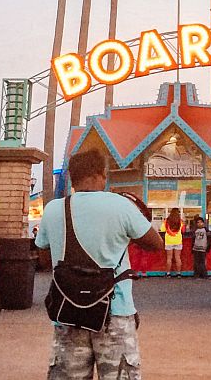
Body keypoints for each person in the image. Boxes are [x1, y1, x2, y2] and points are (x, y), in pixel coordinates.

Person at [35, 149, 163, 380]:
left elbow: (44, 258)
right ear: (97, 175)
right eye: (104, 175)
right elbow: (156, 244)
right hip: (114, 313)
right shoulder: (120, 205)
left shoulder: (53, 209)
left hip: (68, 312)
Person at [163, 209, 184, 277]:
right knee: (178, 257)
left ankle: (168, 273)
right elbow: (183, 230)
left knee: (169, 258)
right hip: (178, 240)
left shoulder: (167, 221)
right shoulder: (180, 221)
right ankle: (179, 273)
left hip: (169, 241)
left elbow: (162, 229)